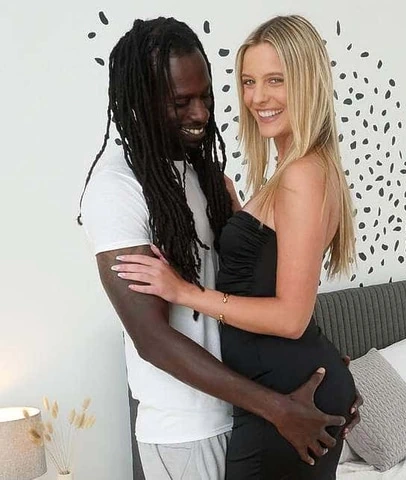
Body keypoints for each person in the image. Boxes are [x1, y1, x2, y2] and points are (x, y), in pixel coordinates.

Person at [80, 15, 360, 480]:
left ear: (308, 83)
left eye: (206, 97)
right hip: (199, 424)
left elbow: (287, 309)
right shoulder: (118, 188)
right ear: (141, 101)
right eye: (249, 82)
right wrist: (289, 396)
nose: (201, 114)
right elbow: (152, 340)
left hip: (258, 405)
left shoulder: (227, 173)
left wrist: (318, 370)